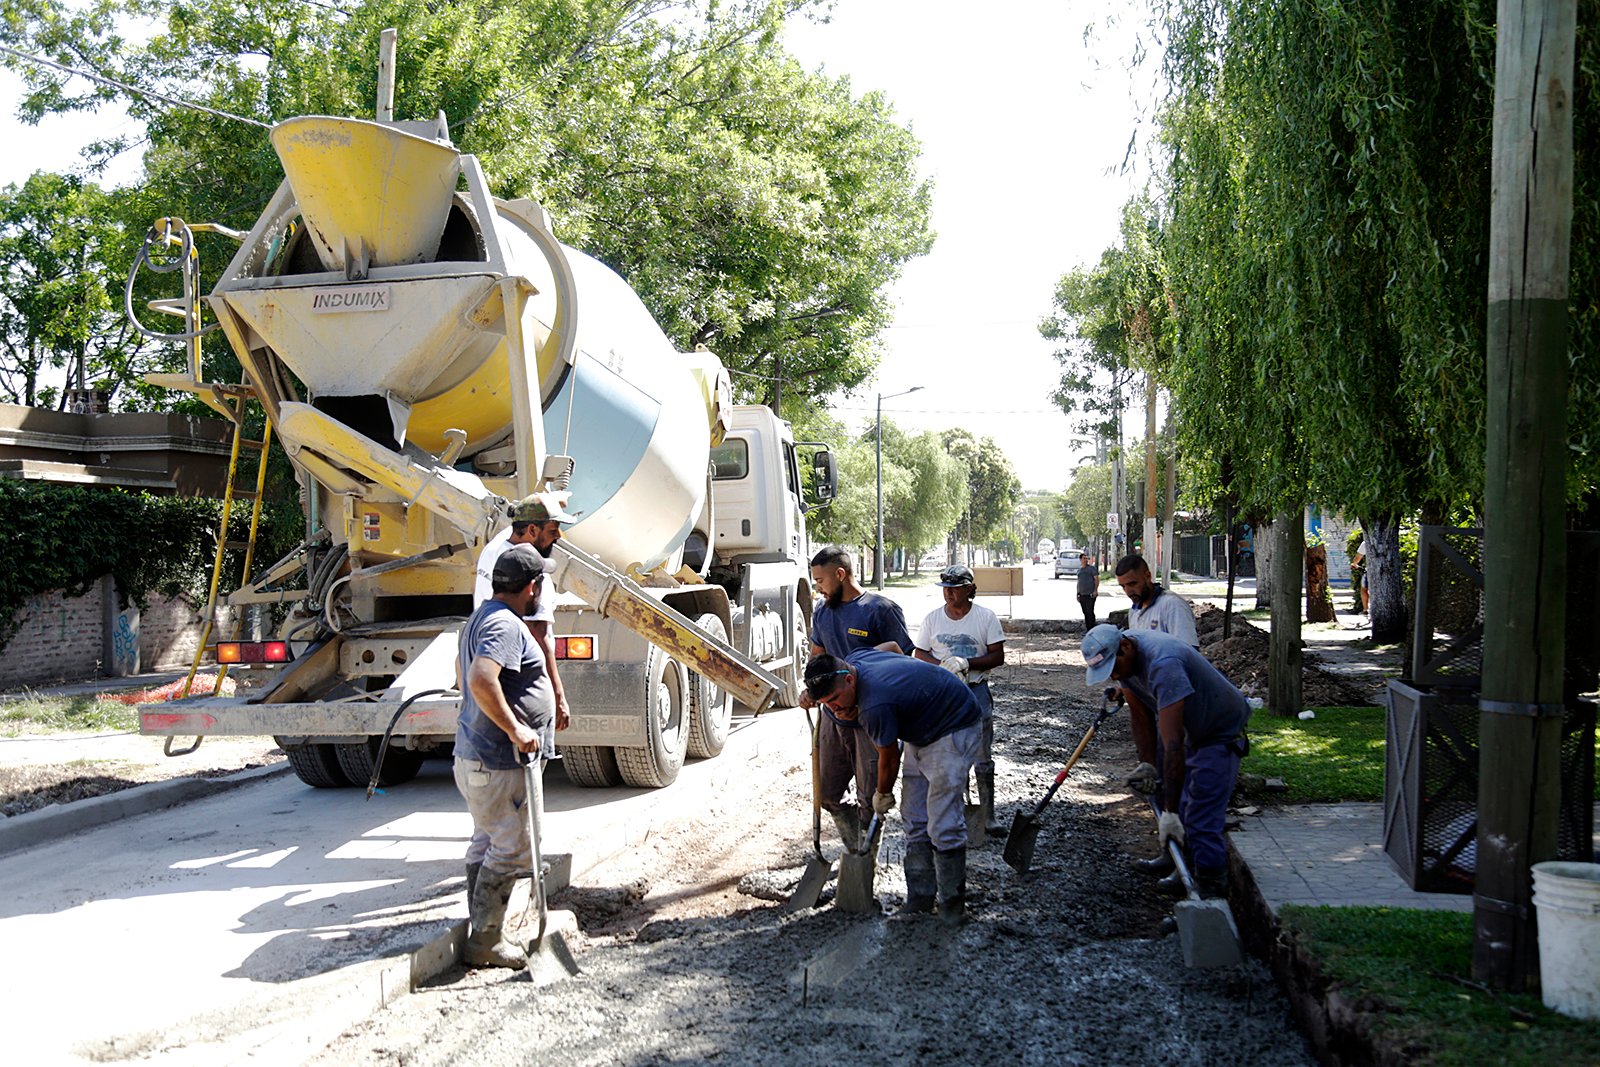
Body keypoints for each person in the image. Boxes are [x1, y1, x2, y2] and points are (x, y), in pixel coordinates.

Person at [804, 649, 984, 921]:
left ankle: (951, 905)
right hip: (922, 729)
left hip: (954, 725)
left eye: (835, 699)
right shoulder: (854, 663)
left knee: (943, 821)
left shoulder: (875, 705)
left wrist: (882, 794)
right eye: (825, 704)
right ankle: (921, 897)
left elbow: (888, 759)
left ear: (849, 681)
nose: (835, 709)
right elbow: (888, 647)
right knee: (913, 816)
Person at [1082, 623, 1249, 900]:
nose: (1112, 675)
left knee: (1200, 819)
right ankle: (1179, 864)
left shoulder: (1164, 663)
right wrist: (1148, 764)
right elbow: (1141, 717)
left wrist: (1170, 813)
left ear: (1125, 647)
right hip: (1190, 730)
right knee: (1178, 801)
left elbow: (1173, 744)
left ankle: (1210, 899)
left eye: (1113, 667)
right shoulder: (1125, 662)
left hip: (1218, 733)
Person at [455, 544, 559, 969]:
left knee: (488, 840)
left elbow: (462, 675)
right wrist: (516, 728)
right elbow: (480, 679)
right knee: (513, 848)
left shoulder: (481, 617)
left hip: (478, 758)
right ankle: (485, 942)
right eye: (541, 582)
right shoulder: (504, 625)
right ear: (531, 586)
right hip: (498, 760)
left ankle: (481, 929)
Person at [802, 546, 913, 850]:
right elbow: (818, 656)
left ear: (840, 574)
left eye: (821, 581)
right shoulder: (822, 612)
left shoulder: (880, 610)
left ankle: (865, 862)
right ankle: (854, 847)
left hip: (870, 720)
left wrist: (862, 701)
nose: (818, 588)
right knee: (826, 792)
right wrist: (810, 690)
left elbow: (902, 660)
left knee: (871, 800)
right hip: (833, 718)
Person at [913, 563, 1006, 837]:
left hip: (975, 689)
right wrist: (942, 665)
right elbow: (919, 652)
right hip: (943, 693)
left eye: (954, 589)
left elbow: (997, 656)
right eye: (945, 589)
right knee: (950, 753)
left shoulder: (985, 618)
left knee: (982, 754)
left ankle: (988, 816)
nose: (949, 594)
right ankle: (957, 811)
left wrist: (966, 662)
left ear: (969, 589)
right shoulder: (933, 619)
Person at [475, 492, 578, 732]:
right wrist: (558, 696)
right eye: (552, 531)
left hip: (500, 674)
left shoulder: (496, 548)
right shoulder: (529, 567)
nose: (558, 538)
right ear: (532, 530)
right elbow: (538, 631)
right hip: (523, 684)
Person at [1115, 554, 1198, 647]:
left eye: (1132, 584)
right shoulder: (1134, 611)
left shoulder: (1173, 605)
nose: (1128, 591)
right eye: (1123, 586)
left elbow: (1188, 651)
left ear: (1148, 576)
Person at [1076, 552, 1100, 628]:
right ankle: (1088, 627)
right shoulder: (1079, 570)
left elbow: (1096, 579)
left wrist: (1095, 590)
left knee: (1090, 611)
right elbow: (1079, 582)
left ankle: (1092, 627)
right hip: (1082, 594)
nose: (1086, 560)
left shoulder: (1092, 569)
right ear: (1080, 559)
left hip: (1090, 594)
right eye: (1084, 558)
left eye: (1087, 558)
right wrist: (1077, 593)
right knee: (1085, 612)